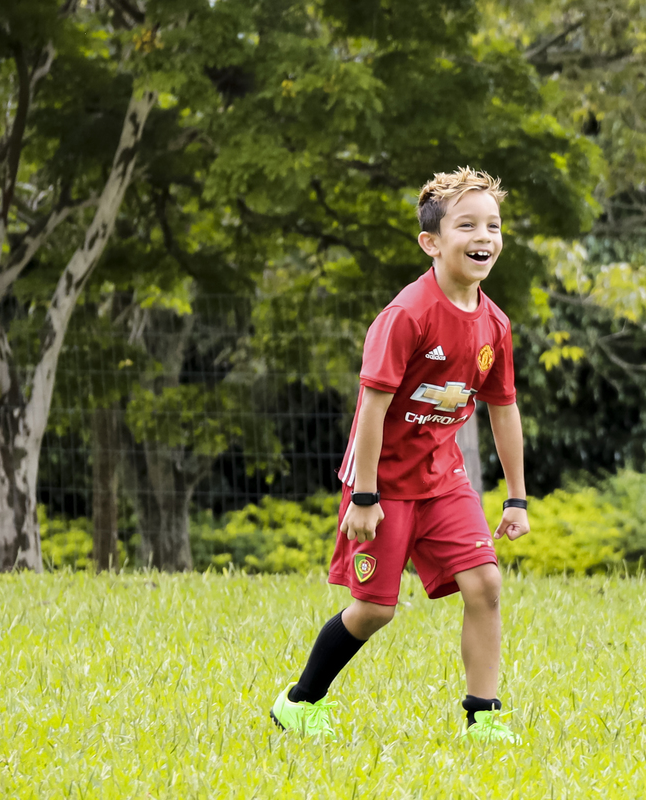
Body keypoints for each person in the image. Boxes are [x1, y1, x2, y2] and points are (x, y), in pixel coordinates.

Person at [269, 166, 531, 742]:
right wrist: (364, 496)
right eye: (467, 225)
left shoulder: (495, 324)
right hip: (381, 483)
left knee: (485, 585)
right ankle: (300, 702)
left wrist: (516, 497)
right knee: (374, 610)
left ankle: (484, 718)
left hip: (444, 480)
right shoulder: (406, 315)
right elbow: (371, 409)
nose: (484, 237)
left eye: (493, 225)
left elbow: (503, 408)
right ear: (431, 242)